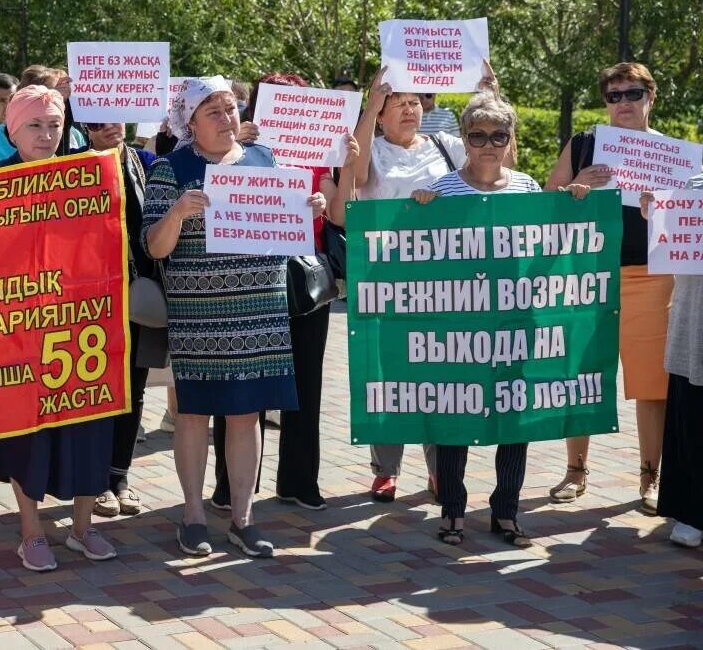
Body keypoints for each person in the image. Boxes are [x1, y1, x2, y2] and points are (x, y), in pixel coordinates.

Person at [142, 76, 326, 559]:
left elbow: (284, 228)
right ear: (190, 122)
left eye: (231, 109)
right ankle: (193, 516)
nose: (228, 119)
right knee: (194, 416)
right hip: (200, 318)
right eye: (215, 112)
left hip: (260, 314)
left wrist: (307, 209)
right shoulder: (170, 168)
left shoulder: (265, 160)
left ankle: (243, 518)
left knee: (248, 416)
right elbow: (155, 246)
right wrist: (179, 212)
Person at [411, 92, 589, 547]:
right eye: (477, 135)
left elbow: (546, 254)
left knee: (514, 415)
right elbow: (417, 259)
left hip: (514, 321)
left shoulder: (527, 188)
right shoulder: (443, 189)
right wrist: (417, 211)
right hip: (457, 325)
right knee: (454, 412)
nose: (488, 144)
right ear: (464, 139)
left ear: (510, 140)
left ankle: (506, 510)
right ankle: (452, 508)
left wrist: (573, 208)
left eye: (499, 135)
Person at [0, 86, 116, 571]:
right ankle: (31, 533)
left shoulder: (87, 172)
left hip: (83, 323)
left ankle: (83, 527)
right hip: (21, 326)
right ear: (12, 129)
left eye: (54, 124)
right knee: (29, 431)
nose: (46, 135)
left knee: (88, 421)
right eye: (35, 125)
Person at [343, 63, 498, 501]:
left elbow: (500, 160)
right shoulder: (368, 149)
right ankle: (386, 468)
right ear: (382, 112)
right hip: (389, 280)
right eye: (398, 103)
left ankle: (439, 468)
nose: (409, 110)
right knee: (391, 374)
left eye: (414, 102)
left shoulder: (447, 145)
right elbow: (354, 184)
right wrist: (373, 98)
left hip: (443, 281)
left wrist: (490, 93)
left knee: (438, 374)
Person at [214, 73, 355, 513]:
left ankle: (299, 481)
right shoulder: (235, 150)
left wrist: (346, 165)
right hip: (247, 278)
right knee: (241, 382)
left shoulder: (318, 154)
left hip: (302, 279)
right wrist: (236, 148)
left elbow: (339, 215)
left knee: (305, 382)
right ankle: (231, 485)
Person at [544, 62, 670, 514]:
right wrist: (575, 186)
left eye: (632, 94)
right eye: (614, 96)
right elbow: (546, 204)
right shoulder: (583, 145)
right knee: (581, 376)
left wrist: (666, 208)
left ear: (650, 97)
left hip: (650, 277)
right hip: (587, 277)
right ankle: (575, 472)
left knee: (651, 384)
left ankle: (651, 477)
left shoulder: (670, 155)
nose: (623, 104)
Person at [85, 120, 165, 518]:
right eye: (96, 122)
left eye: (114, 117)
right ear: (83, 125)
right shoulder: (71, 167)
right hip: (91, 299)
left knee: (133, 388)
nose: (108, 127)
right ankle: (94, 478)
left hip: (136, 294)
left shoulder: (146, 163)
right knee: (96, 387)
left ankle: (120, 475)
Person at [640, 185, 703, 548]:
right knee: (693, 415)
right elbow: (667, 241)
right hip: (695, 315)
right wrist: (655, 212)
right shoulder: (691, 184)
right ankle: (693, 512)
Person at [0, 65, 87, 164]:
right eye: (35, 125)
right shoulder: (1, 145)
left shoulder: (75, 134)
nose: (46, 136)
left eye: (62, 97)